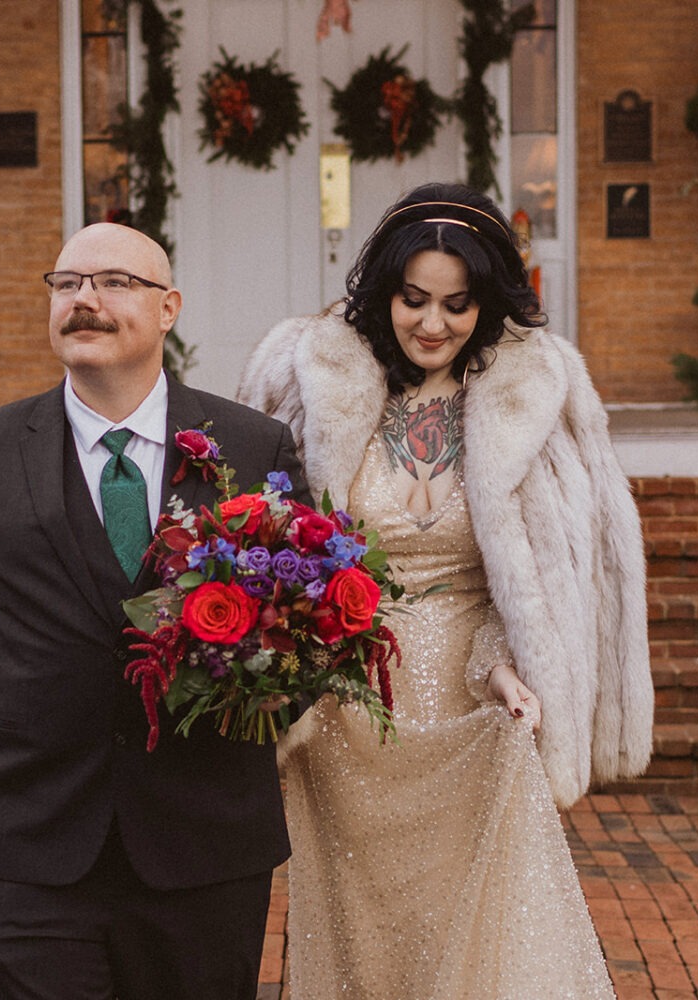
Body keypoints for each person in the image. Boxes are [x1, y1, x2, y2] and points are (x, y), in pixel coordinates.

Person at [0, 222, 309, 1000]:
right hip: (33, 843)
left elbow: (305, 628)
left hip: (204, 841)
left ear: (168, 307)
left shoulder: (252, 447)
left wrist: (263, 686)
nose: (85, 301)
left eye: (113, 283)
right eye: (67, 284)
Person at [238, 183, 652, 998]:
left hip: (474, 710)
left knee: (481, 935)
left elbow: (535, 575)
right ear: (384, 292)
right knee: (363, 933)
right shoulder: (313, 387)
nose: (433, 324)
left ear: (487, 300)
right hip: (346, 716)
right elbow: (271, 547)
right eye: (413, 299)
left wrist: (504, 670)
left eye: (457, 304)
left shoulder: (534, 396)